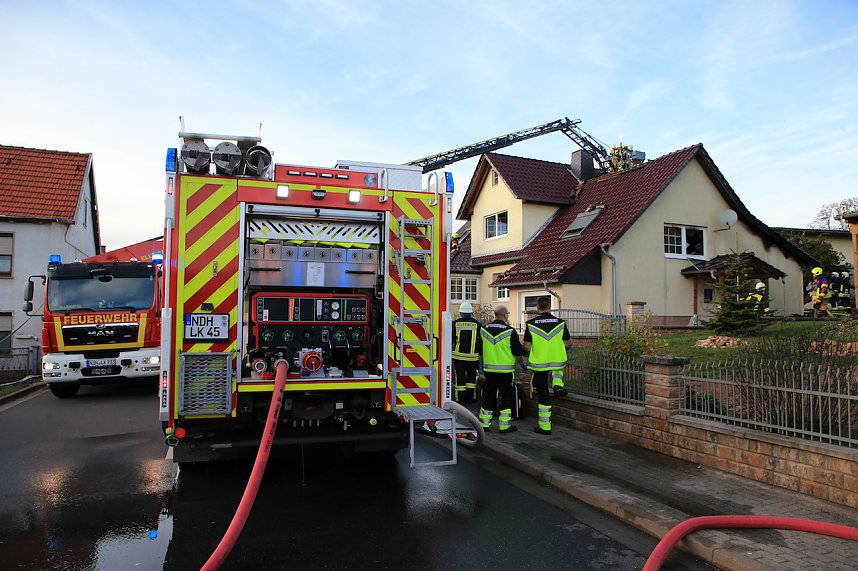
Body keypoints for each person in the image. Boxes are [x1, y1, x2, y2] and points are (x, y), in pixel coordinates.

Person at [523, 296, 572, 435]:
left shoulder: (531, 324)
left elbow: (526, 346)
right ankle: (558, 386)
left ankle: (545, 426)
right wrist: (561, 348)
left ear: (538, 308)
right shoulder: (560, 323)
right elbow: (569, 343)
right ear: (549, 307)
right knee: (557, 368)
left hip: (539, 364)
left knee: (543, 393)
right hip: (556, 361)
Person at [478, 305, 523, 434]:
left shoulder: (484, 330)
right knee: (506, 397)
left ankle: (484, 424)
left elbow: (480, 351)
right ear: (505, 315)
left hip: (489, 371)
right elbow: (517, 352)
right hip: (506, 372)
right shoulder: (510, 331)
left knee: (488, 396)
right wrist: (522, 364)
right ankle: (504, 426)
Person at [451, 301, 481, 403]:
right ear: (471, 313)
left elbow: (451, 339)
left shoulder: (455, 324)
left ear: (461, 313)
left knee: (460, 378)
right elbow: (481, 340)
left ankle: (460, 399)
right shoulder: (477, 324)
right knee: (472, 378)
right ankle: (471, 397)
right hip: (473, 357)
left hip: (458, 357)